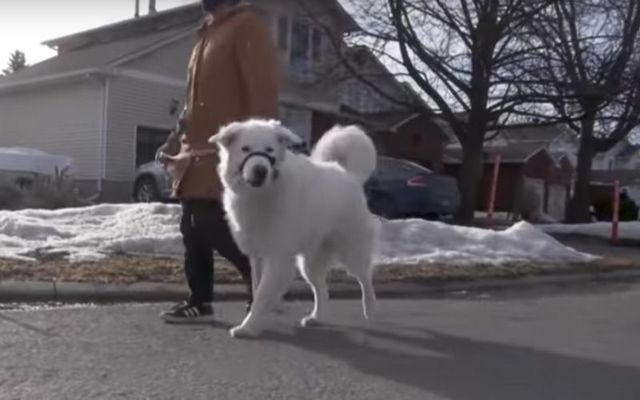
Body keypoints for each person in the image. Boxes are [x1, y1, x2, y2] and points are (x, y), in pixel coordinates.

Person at [157, 0, 280, 322]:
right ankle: (200, 301)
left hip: (230, 152)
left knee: (210, 224)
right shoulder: (206, 35)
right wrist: (174, 140)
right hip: (194, 153)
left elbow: (262, 91)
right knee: (192, 229)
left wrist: (258, 149)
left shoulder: (246, 25)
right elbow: (193, 103)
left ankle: (264, 287)